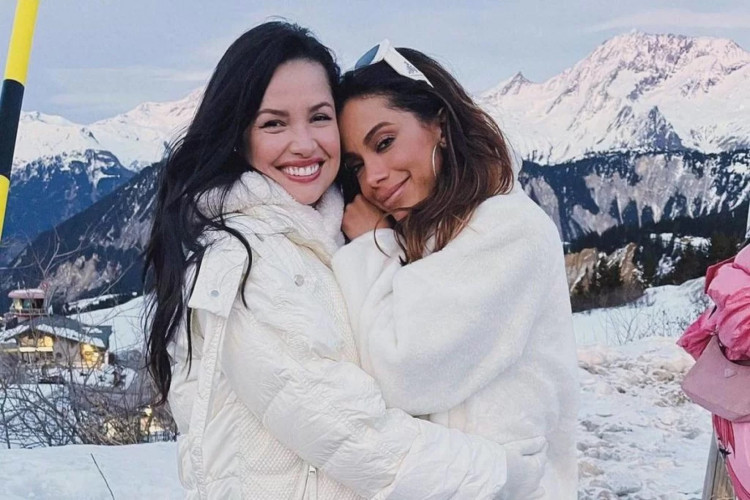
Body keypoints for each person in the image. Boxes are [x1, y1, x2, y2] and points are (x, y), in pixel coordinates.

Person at [144, 23, 547, 499]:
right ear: (238, 136)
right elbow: (351, 434)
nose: (304, 143)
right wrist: (502, 473)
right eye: (274, 123)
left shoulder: (329, 231)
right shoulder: (243, 259)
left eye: (319, 117)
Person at [329, 40, 580, 498]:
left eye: (384, 143)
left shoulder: (506, 229)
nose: (373, 177)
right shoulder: (432, 230)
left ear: (439, 125)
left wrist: (369, 248)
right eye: (357, 165)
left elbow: (404, 372)